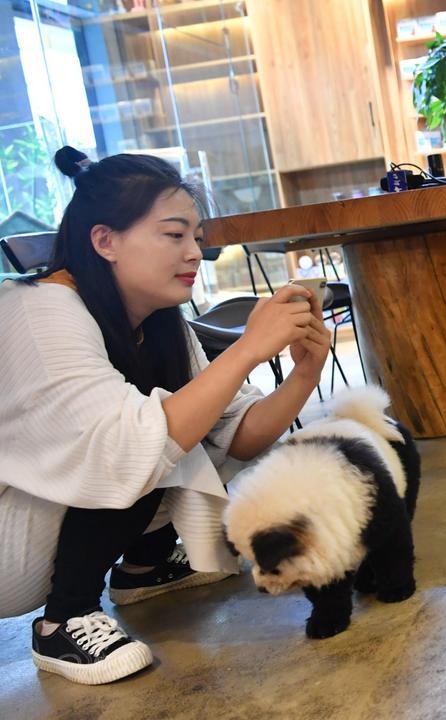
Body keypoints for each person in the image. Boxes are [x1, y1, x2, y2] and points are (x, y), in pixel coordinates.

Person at [0, 147, 331, 685]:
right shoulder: (39, 310)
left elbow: (234, 437)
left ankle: (145, 566)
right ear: (105, 241)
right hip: (8, 543)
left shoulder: (157, 319)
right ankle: (64, 617)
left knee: (180, 425)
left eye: (197, 237)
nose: (195, 253)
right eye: (174, 235)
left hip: (49, 514)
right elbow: (118, 449)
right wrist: (247, 348)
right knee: (145, 436)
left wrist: (303, 374)